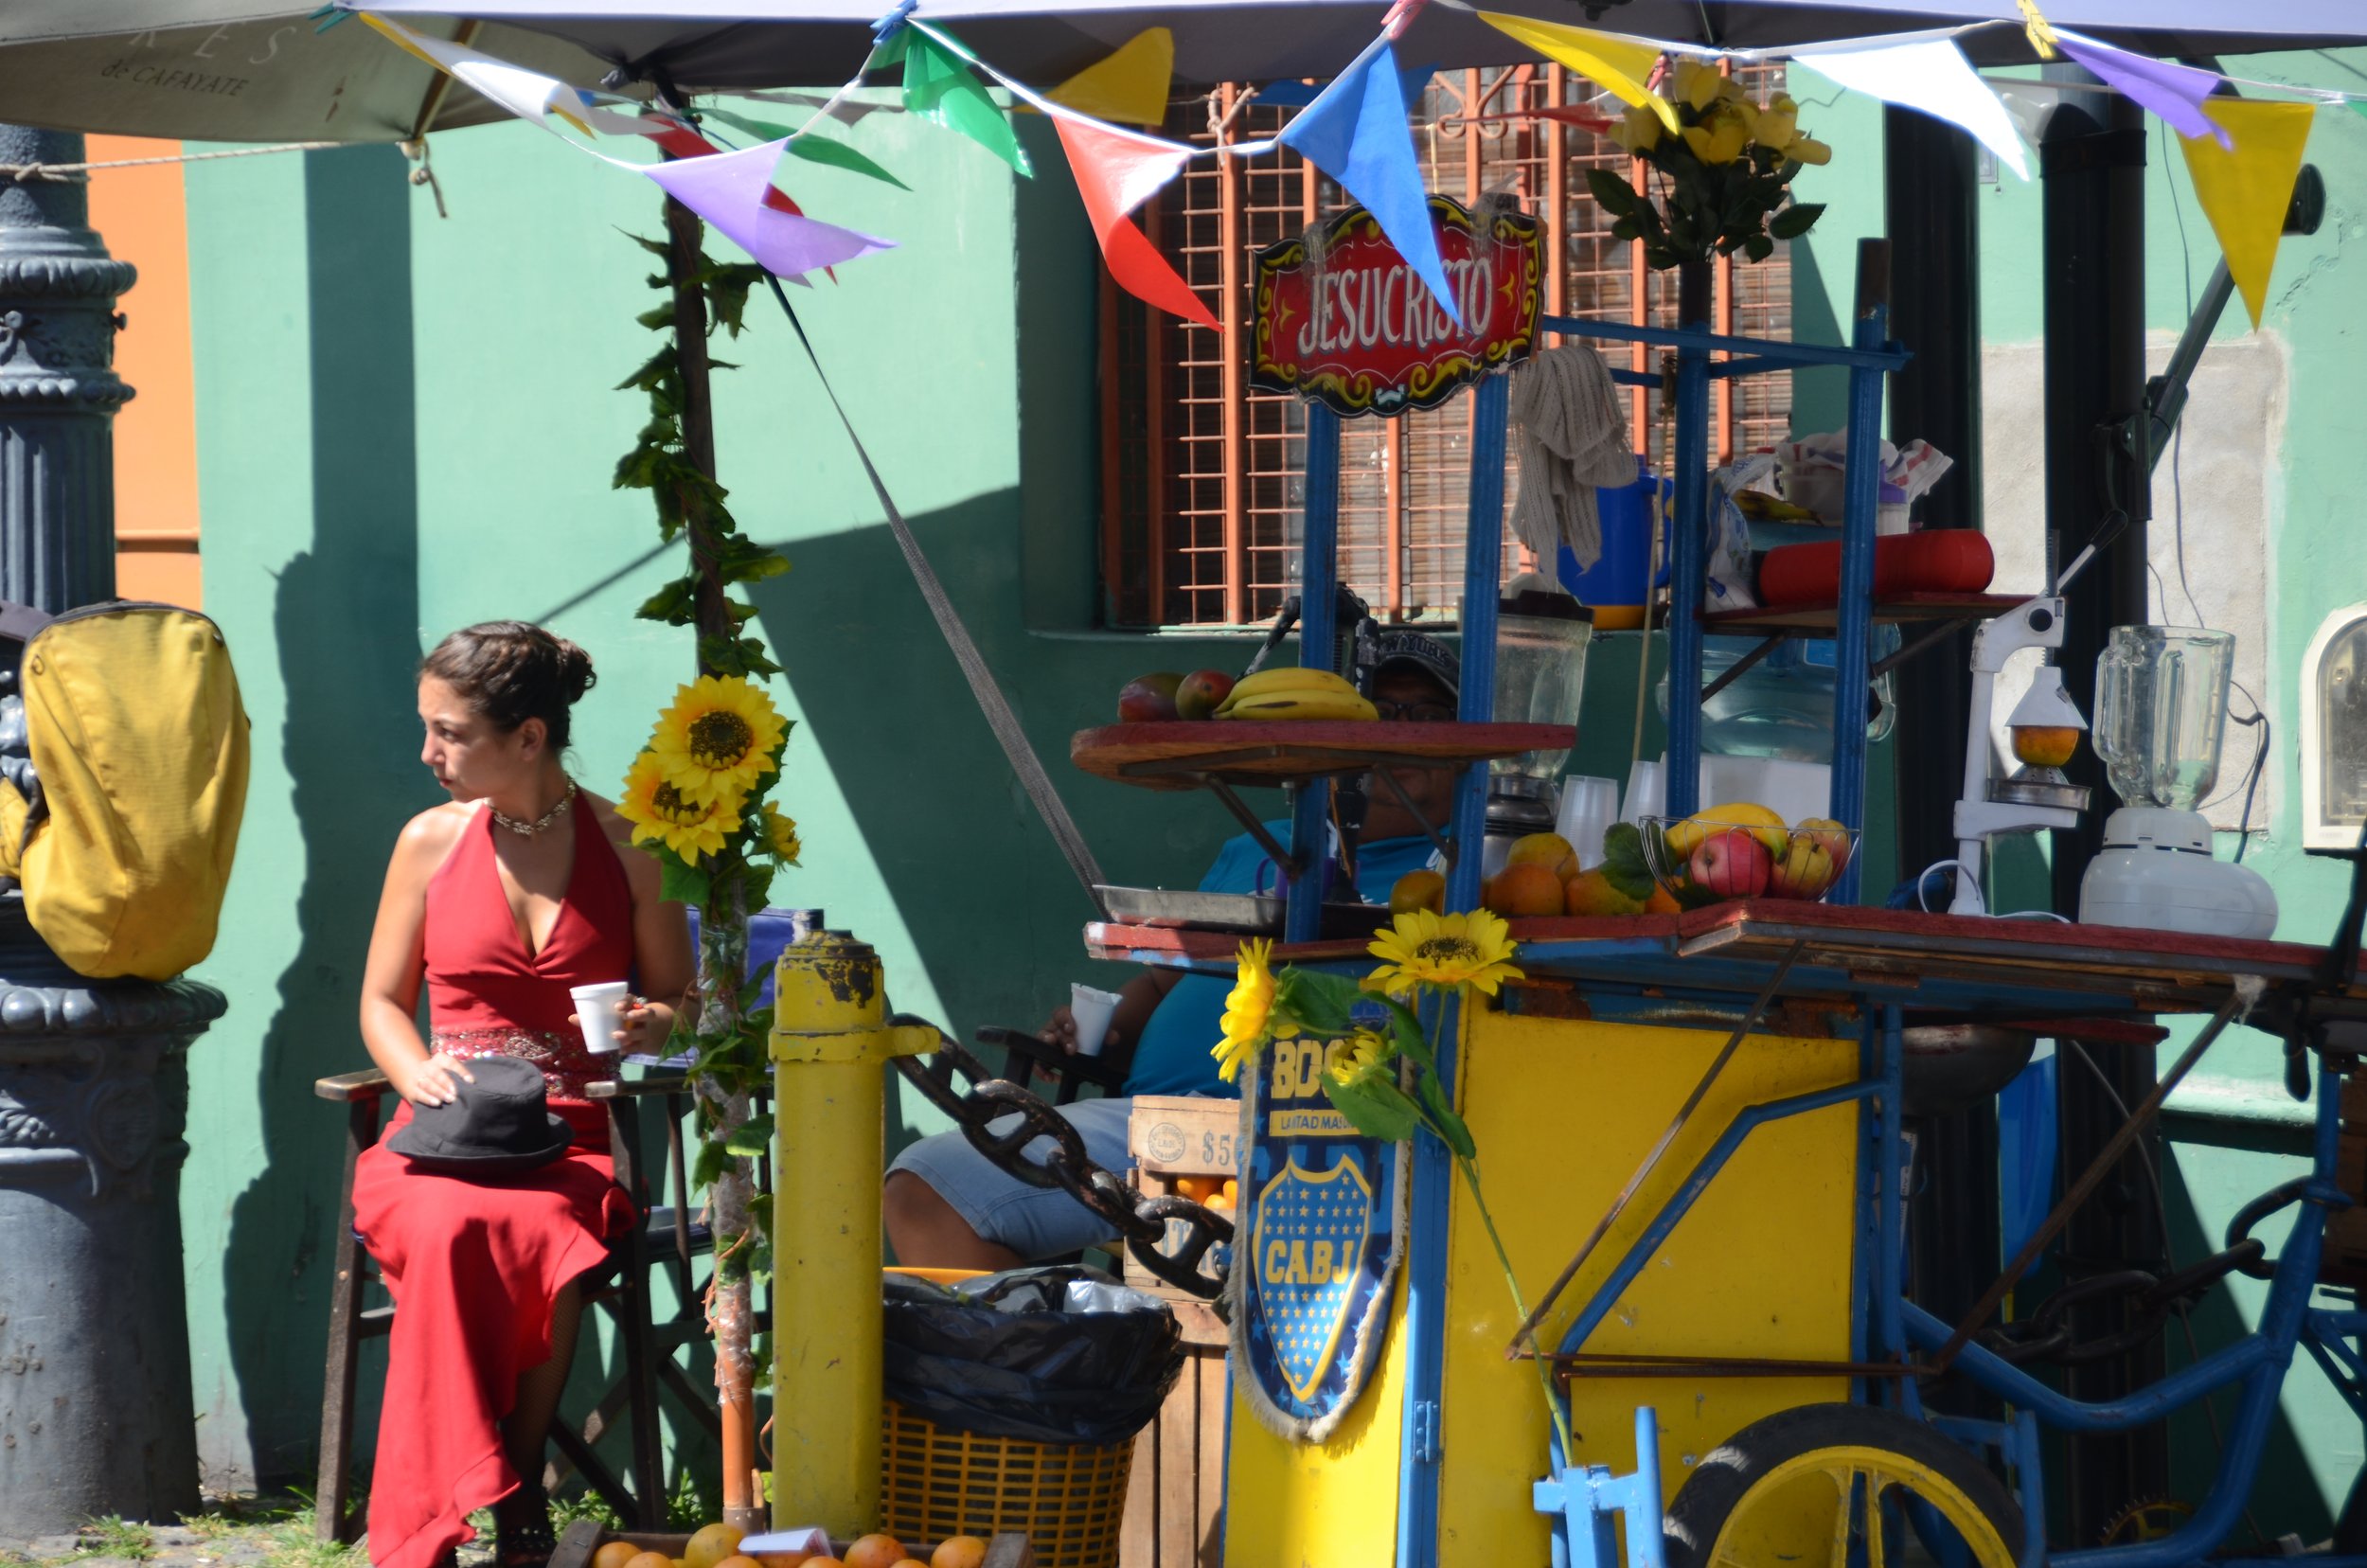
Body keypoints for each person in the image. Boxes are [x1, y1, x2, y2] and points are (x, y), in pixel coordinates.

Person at [883, 633, 1461, 1270]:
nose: (1402, 731)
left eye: (1429, 716)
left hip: (1310, 1130)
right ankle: (1049, 1337)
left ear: (1463, 752)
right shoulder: (1262, 844)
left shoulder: (1468, 867)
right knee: (926, 1189)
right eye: (1382, 711)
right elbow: (1167, 979)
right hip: (1149, 1120)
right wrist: (1100, 1034)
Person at [352, 622, 693, 1568]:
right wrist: (412, 1072)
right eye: (427, 728)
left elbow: (681, 998)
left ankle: (514, 1469)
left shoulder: (633, 846)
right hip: (442, 1133)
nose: (428, 753)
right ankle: (486, 1485)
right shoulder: (427, 842)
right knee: (445, 1225)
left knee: (542, 1230)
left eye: (450, 733)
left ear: (530, 737)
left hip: (575, 1136)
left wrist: (652, 1024)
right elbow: (380, 1004)